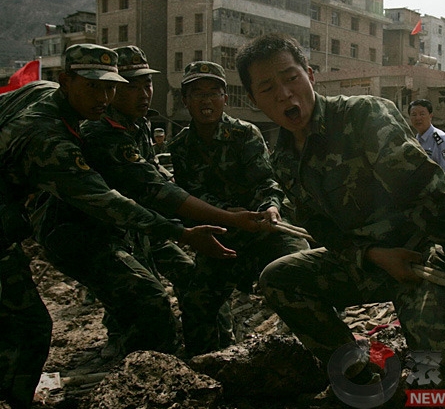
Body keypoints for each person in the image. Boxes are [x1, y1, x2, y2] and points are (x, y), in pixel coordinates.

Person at [235, 33, 445, 409]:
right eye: (268, 89)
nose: (285, 94)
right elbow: (326, 232)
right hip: (370, 263)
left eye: (291, 78)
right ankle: (363, 382)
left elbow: (430, 190)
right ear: (256, 100)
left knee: (439, 353)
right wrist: (371, 255)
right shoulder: (284, 159)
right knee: (279, 277)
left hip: (423, 259)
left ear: (310, 76)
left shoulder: (363, 115)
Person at [0, 44, 252, 409]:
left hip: (99, 223)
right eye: (94, 87)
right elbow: (110, 200)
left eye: (110, 87)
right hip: (77, 228)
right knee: (31, 323)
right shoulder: (53, 137)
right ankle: (124, 401)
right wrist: (184, 232)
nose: (105, 97)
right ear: (66, 81)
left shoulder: (51, 97)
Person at [33, 46, 270, 360]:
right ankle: (145, 361)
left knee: (190, 277)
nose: (143, 93)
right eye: (132, 86)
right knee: (146, 296)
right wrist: (217, 221)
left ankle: (213, 348)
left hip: (138, 225)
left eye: (147, 84)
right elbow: (157, 191)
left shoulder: (136, 124)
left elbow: (160, 178)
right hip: (94, 231)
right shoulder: (103, 132)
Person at [169, 61, 309, 355]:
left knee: (304, 271)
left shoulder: (246, 134)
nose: (206, 101)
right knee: (197, 301)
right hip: (220, 236)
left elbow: (265, 181)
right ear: (185, 101)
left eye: (213, 93)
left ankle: (323, 353)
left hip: (263, 228)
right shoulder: (180, 146)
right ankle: (206, 365)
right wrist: (231, 217)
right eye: (197, 93)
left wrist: (270, 207)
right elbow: (192, 196)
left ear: (225, 99)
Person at [409, 99, 445, 189]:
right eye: (414, 114)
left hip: (437, 192)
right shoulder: (415, 140)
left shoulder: (440, 139)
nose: (418, 118)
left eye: (422, 114)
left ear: (431, 115)